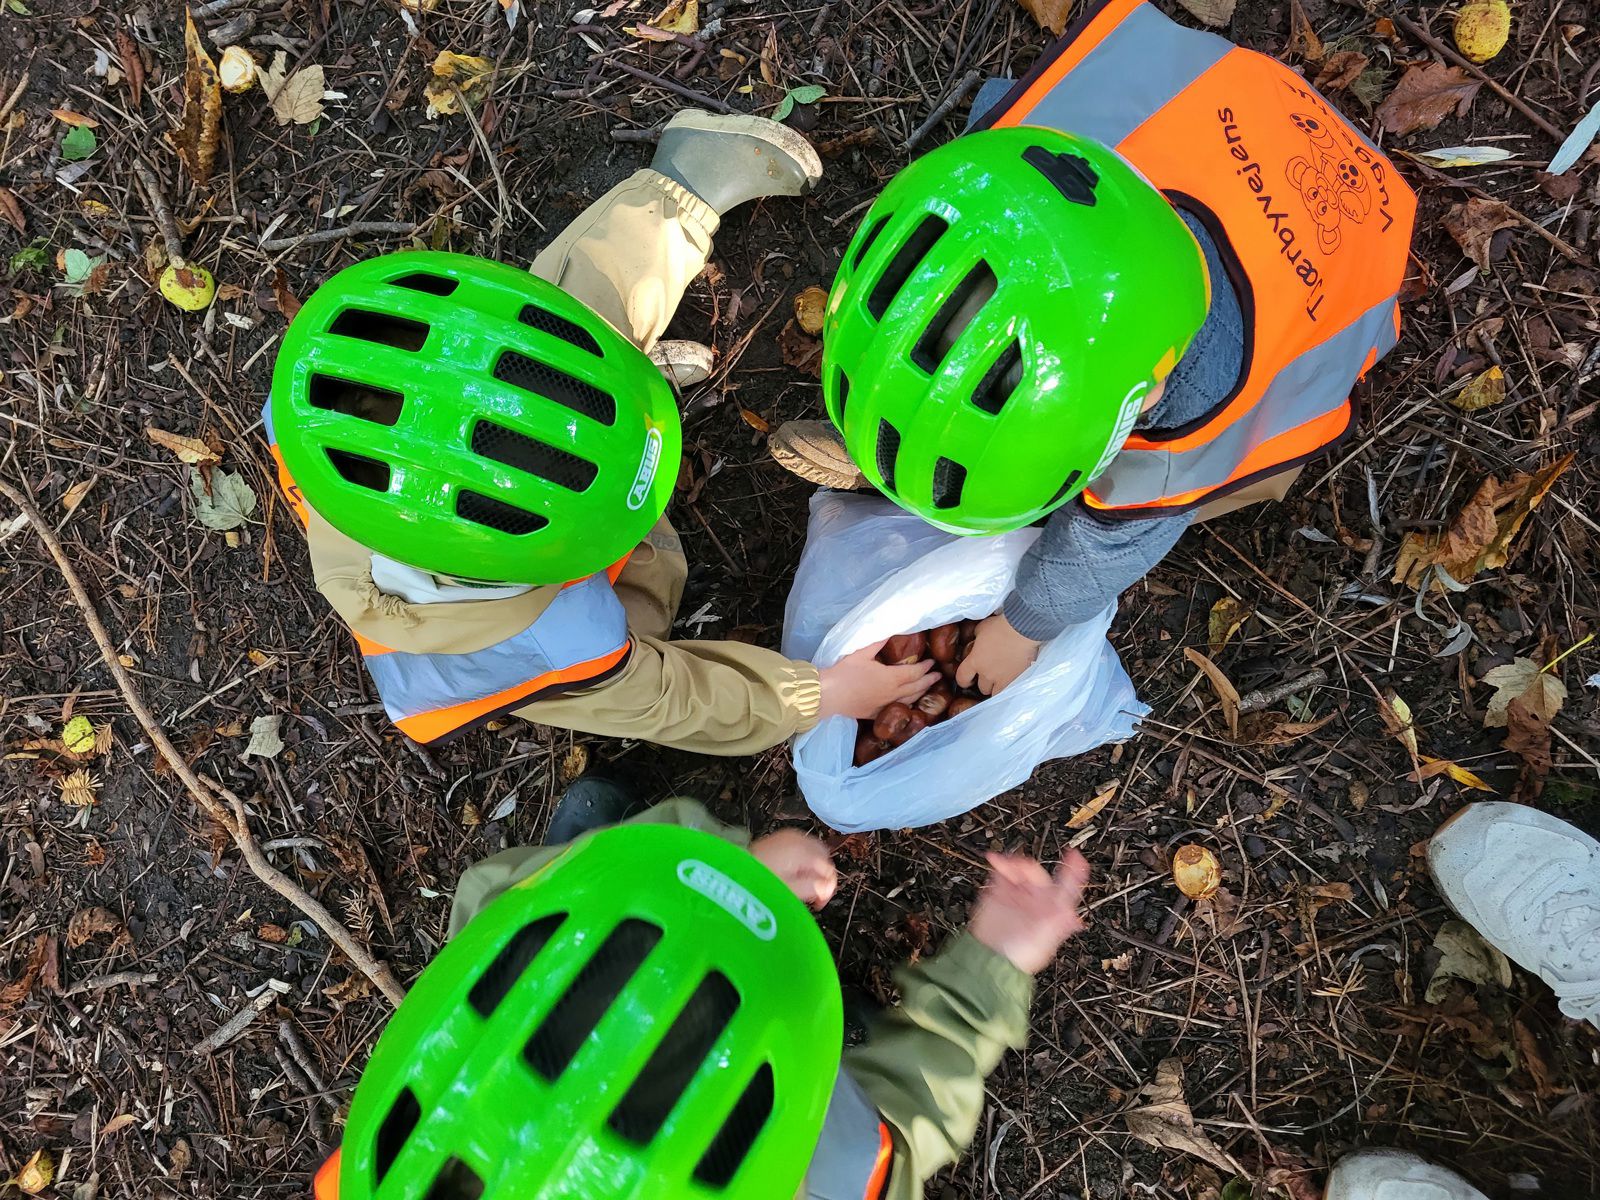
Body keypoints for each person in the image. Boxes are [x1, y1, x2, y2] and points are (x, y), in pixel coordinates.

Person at [769, 0, 1417, 695]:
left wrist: (1023, 625)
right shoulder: (1006, 158)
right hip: (1241, 112)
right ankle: (924, 461)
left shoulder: (1195, 410)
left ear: (1151, 396)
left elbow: (1112, 538)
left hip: (1354, 252)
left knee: (1194, 487)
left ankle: (958, 469)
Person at [263, 111, 938, 752]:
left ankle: (683, 187)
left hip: (477, 540)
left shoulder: (324, 389)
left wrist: (598, 376)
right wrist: (816, 695)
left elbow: (508, 350)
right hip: (518, 642)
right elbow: (675, 698)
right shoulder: (560, 638)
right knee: (651, 582)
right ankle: (619, 423)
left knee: (575, 314)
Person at [309, 778, 1091, 1199]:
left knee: (541, 888)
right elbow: (911, 1115)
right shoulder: (836, 1172)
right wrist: (993, 966)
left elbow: (495, 894)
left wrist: (723, 860)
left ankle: (648, 885)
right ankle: (779, 993)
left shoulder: (379, 1170)